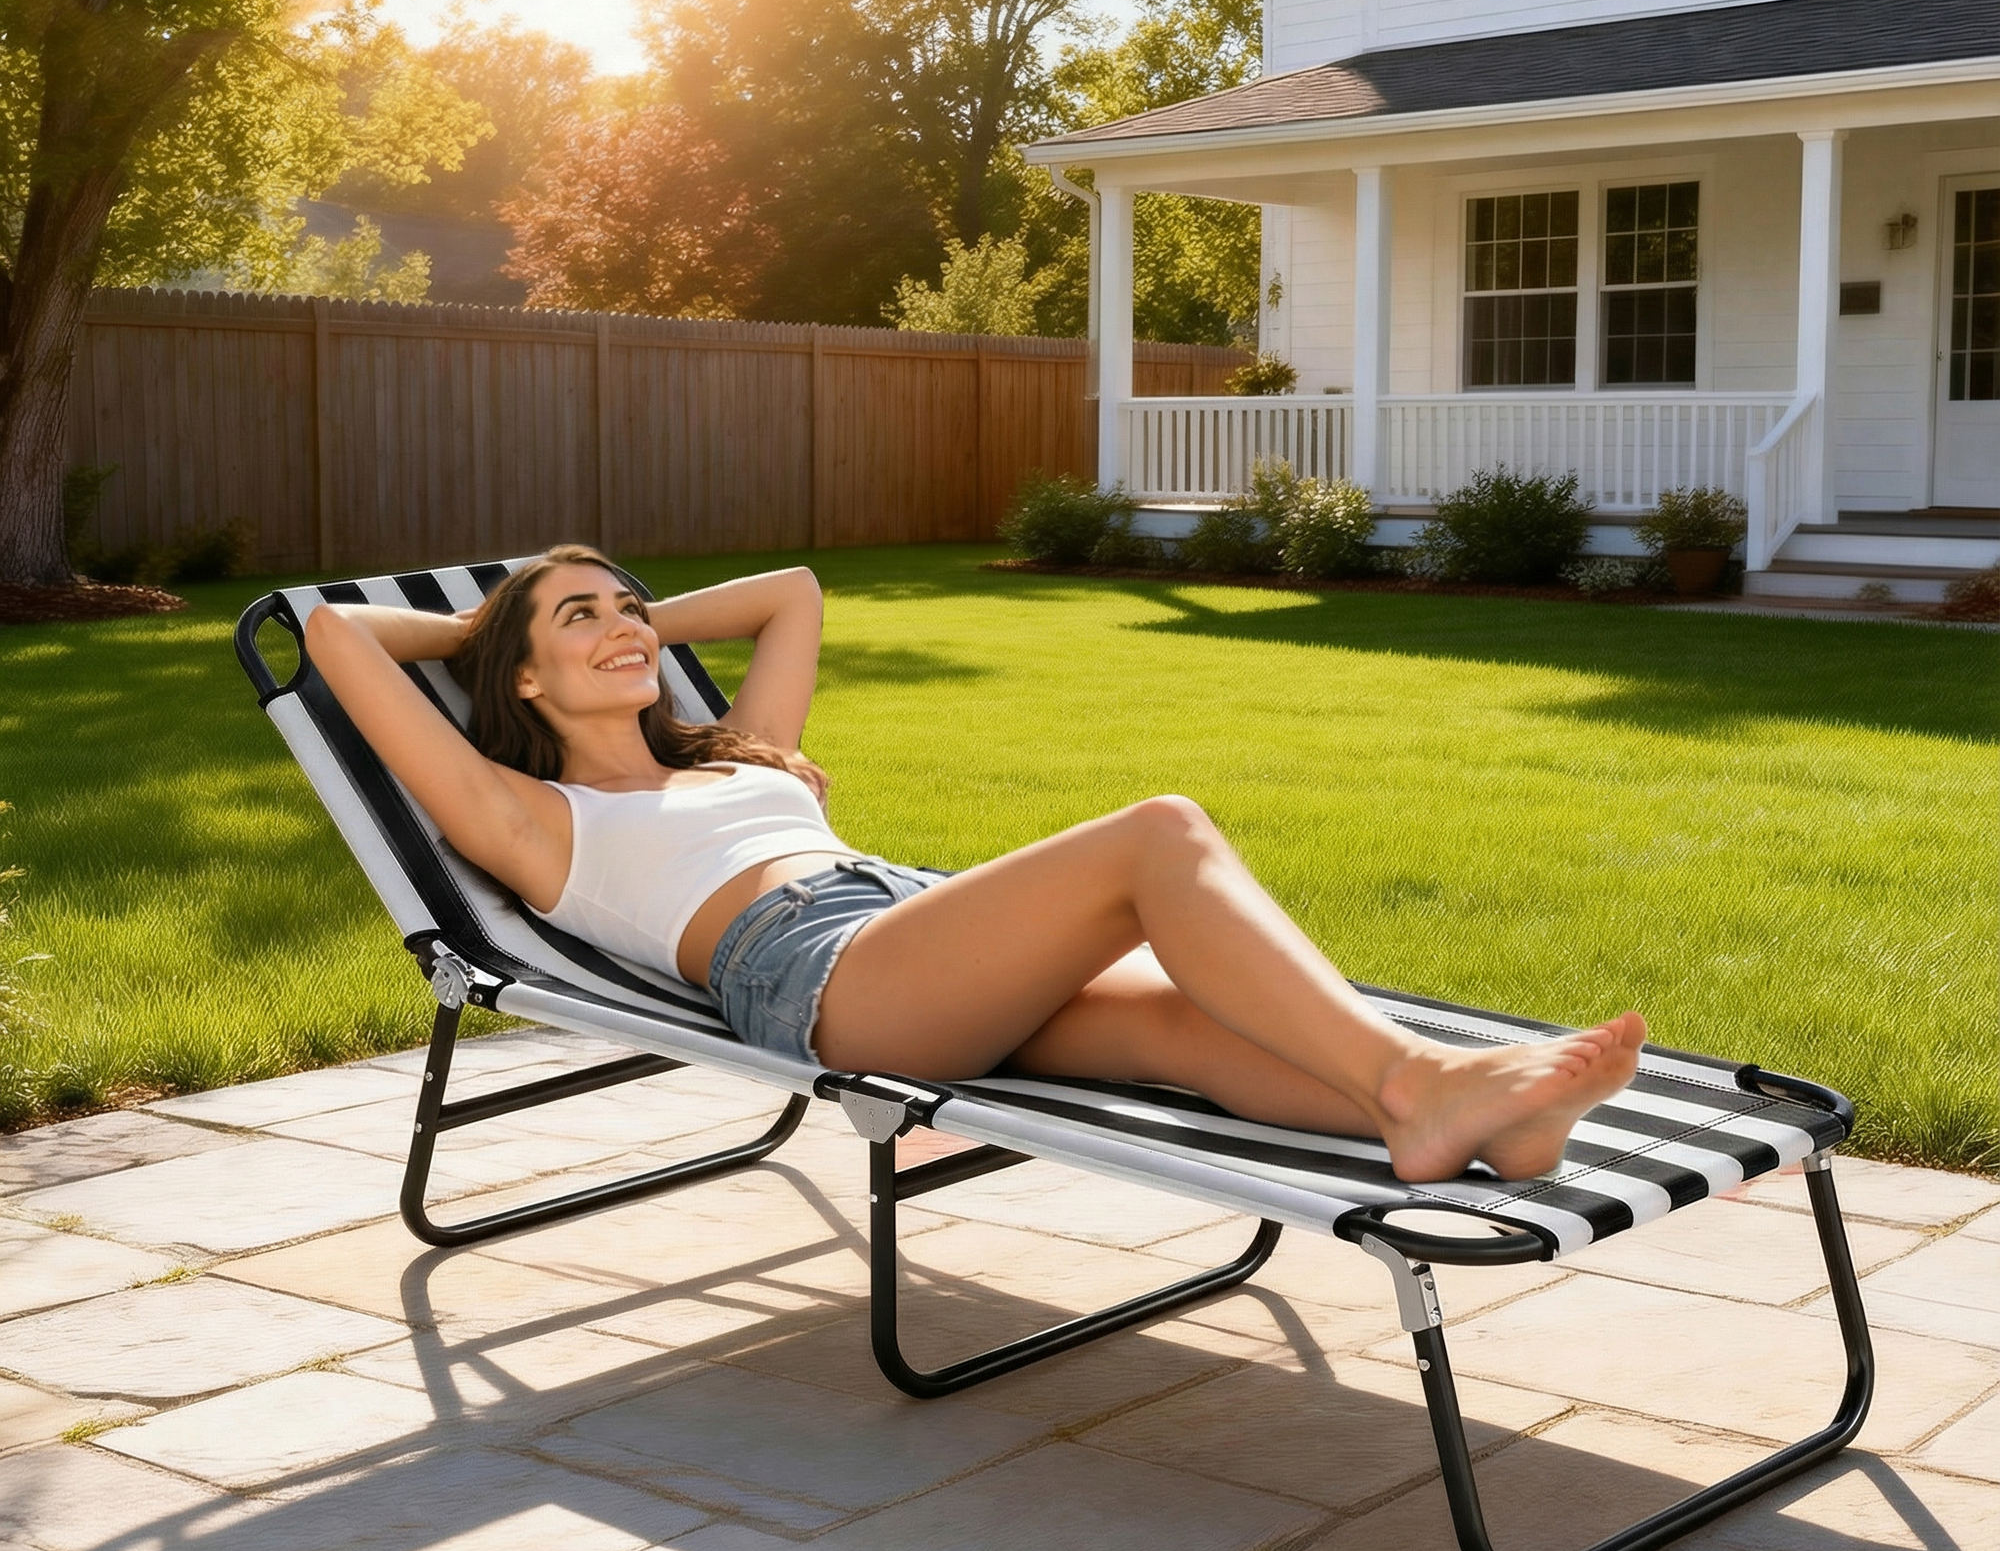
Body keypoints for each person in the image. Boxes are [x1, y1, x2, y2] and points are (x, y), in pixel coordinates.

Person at [304, 544, 1644, 1184]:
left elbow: (795, 590)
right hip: (821, 977)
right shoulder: (535, 820)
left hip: (909, 932)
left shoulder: (740, 754)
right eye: (580, 622)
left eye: (631, 609)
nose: (625, 628)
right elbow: (334, 643)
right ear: (518, 674)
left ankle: (1480, 1125)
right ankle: (1418, 1082)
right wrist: (491, 621)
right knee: (1159, 832)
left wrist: (616, 618)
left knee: (1178, 1018)